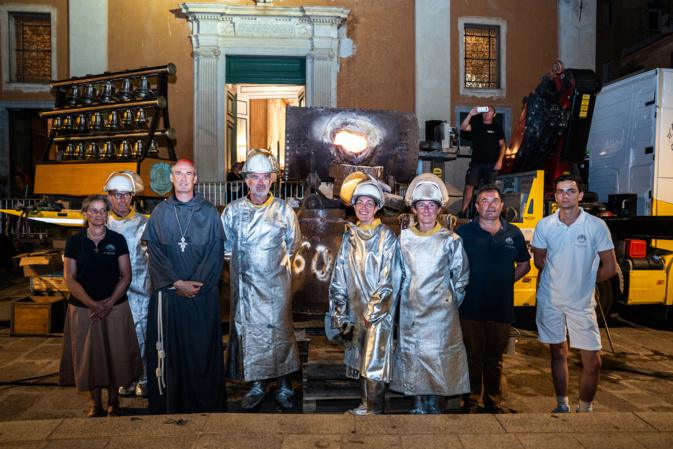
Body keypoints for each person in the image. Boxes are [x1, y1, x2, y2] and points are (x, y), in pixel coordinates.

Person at [142, 159, 226, 413]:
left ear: (195, 178)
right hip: (170, 297)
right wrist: (176, 283)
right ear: (171, 178)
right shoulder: (160, 213)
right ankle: (173, 402)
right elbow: (154, 253)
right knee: (170, 353)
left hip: (201, 297)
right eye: (178, 173)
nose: (182, 178)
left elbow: (215, 253)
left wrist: (194, 286)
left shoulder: (209, 212)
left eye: (188, 174)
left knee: (201, 352)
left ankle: (204, 403)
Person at [222, 149, 302, 410]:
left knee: (280, 334)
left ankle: (283, 384)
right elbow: (226, 249)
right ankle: (256, 384)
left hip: (277, 287)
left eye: (264, 177)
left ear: (272, 180)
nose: (259, 182)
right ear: (246, 180)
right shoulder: (233, 212)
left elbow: (293, 246)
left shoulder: (284, 210)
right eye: (254, 177)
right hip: (245, 289)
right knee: (251, 334)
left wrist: (273, 269)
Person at [532, 175, 617, 413]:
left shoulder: (595, 226)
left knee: (593, 361)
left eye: (570, 191)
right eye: (560, 191)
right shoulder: (544, 225)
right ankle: (562, 405)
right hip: (551, 300)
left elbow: (609, 268)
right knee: (558, 353)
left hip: (581, 304)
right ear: (555, 196)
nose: (565, 195)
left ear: (580, 195)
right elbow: (540, 261)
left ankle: (586, 409)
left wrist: (585, 281)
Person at [390, 174, 471, 414]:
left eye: (431, 205)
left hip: (441, 313)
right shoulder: (403, 239)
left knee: (437, 355)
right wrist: (397, 305)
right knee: (414, 354)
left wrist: (448, 303)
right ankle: (417, 400)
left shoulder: (451, 240)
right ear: (414, 209)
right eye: (421, 205)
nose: (426, 209)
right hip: (412, 309)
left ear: (438, 209)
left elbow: (461, 277)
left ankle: (434, 398)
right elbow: (397, 275)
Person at [60, 195, 143, 418]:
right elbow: (70, 278)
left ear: (107, 213)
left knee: (115, 354)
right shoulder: (74, 242)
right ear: (85, 213)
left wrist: (108, 303)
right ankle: (95, 403)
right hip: (83, 309)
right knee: (90, 357)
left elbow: (126, 276)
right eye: (94, 210)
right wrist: (93, 305)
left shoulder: (117, 240)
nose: (99, 214)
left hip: (115, 307)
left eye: (103, 210)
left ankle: (113, 401)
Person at [328, 172, 401, 415]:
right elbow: (339, 274)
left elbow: (389, 279)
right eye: (360, 202)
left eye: (370, 203)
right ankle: (365, 404)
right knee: (361, 359)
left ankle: (374, 408)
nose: (364, 207)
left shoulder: (386, 238)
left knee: (374, 362)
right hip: (355, 311)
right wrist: (339, 309)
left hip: (377, 314)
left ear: (378, 207)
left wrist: (373, 312)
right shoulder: (350, 236)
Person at [456, 184, 531, 413]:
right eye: (485, 201)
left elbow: (525, 265)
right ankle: (471, 400)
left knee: (495, 357)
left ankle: (493, 400)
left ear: (501, 205)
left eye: (494, 200)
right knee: (472, 356)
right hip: (470, 306)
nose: (490, 205)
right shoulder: (464, 233)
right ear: (477, 206)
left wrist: (505, 281)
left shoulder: (513, 233)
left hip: (501, 306)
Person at [103, 171, 151, 398]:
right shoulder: (101, 225)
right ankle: (125, 377)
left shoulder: (145, 224)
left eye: (126, 195)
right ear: (109, 197)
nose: (121, 200)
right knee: (118, 338)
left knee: (141, 335)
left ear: (133, 197)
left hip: (142, 292)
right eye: (116, 195)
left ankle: (145, 376)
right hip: (113, 295)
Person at [459, 106, 506, 216]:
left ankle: (487, 213)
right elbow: (463, 127)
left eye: (490, 112)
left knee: (489, 190)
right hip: (476, 163)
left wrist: (500, 161)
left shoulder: (497, 128)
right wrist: (470, 114)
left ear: (494, 115)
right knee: (469, 186)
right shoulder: (477, 125)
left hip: (491, 164)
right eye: (485, 112)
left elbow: (503, 145)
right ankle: (463, 211)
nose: (487, 114)